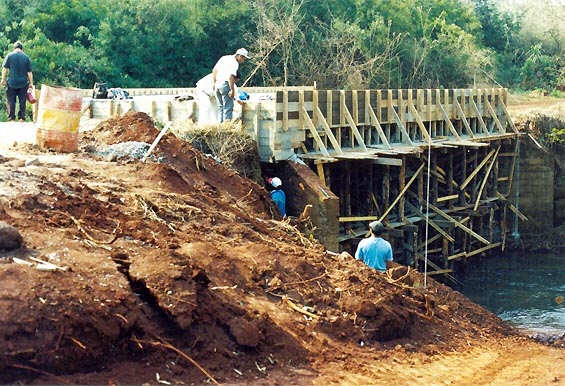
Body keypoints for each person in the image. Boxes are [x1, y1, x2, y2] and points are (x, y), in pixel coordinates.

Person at [212, 47, 249, 123]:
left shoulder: (224, 58)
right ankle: (226, 127)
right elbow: (231, 77)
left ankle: (220, 126)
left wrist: (214, 83)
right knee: (228, 108)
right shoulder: (235, 63)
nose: (243, 61)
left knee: (221, 108)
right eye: (244, 59)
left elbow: (215, 70)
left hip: (217, 84)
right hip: (225, 84)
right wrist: (232, 90)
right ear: (240, 56)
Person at [1, 41, 34, 122]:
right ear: (22, 49)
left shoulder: (9, 56)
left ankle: (11, 118)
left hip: (11, 82)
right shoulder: (26, 57)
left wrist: (3, 79)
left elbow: (4, 68)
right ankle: (21, 118)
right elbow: (29, 72)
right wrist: (31, 83)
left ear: (14, 48)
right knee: (22, 100)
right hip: (23, 83)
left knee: (11, 100)